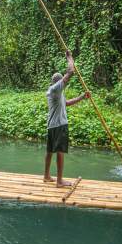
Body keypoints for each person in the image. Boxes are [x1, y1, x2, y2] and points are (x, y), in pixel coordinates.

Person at [44, 50, 91, 187]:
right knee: (60, 151)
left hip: (52, 125)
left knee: (50, 151)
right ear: (59, 83)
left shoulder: (54, 92)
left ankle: (46, 176)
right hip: (59, 125)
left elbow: (67, 103)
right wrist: (69, 57)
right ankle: (59, 181)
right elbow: (71, 72)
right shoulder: (56, 89)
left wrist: (82, 97)